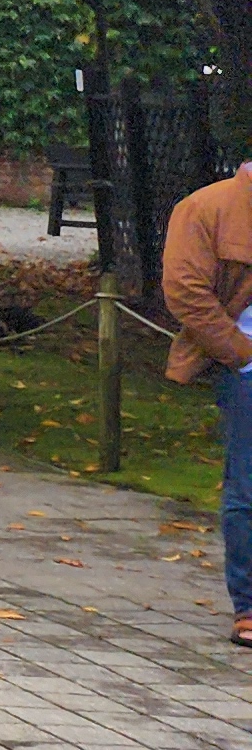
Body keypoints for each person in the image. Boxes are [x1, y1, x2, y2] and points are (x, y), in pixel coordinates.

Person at [158, 154, 252, 646]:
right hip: (247, 371)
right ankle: (249, 606)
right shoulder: (205, 209)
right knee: (248, 488)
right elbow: (184, 290)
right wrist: (240, 353)